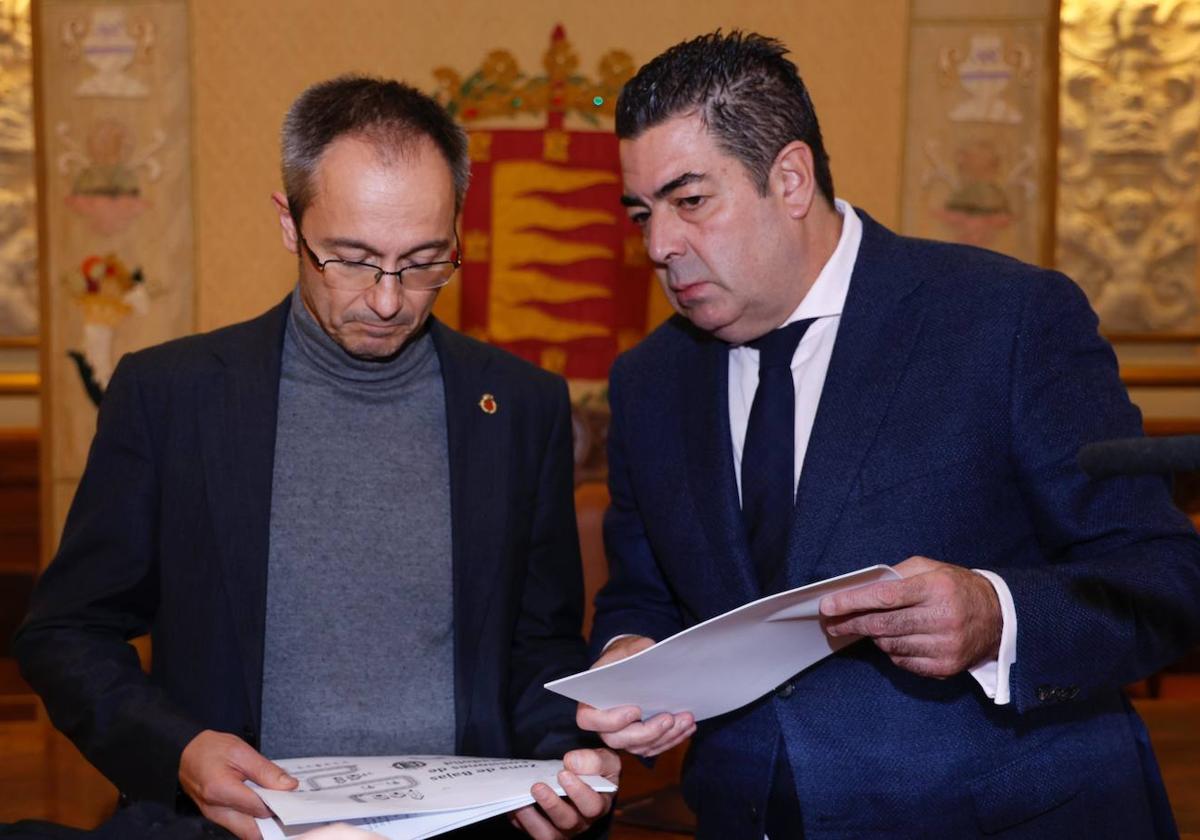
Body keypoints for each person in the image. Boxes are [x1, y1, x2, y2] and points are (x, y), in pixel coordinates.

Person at [578, 31, 1200, 839]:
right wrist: (631, 656)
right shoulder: (648, 381)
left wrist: (996, 614)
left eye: (690, 201)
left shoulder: (1005, 319)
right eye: (642, 212)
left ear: (791, 179)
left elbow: (1164, 574)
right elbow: (645, 592)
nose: (659, 246)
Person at [15, 75, 617, 840]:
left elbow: (539, 645)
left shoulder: (518, 407)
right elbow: (65, 633)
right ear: (289, 224)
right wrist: (180, 752)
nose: (389, 298)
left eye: (426, 260)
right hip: (239, 828)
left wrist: (562, 765)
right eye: (353, 259)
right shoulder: (174, 396)